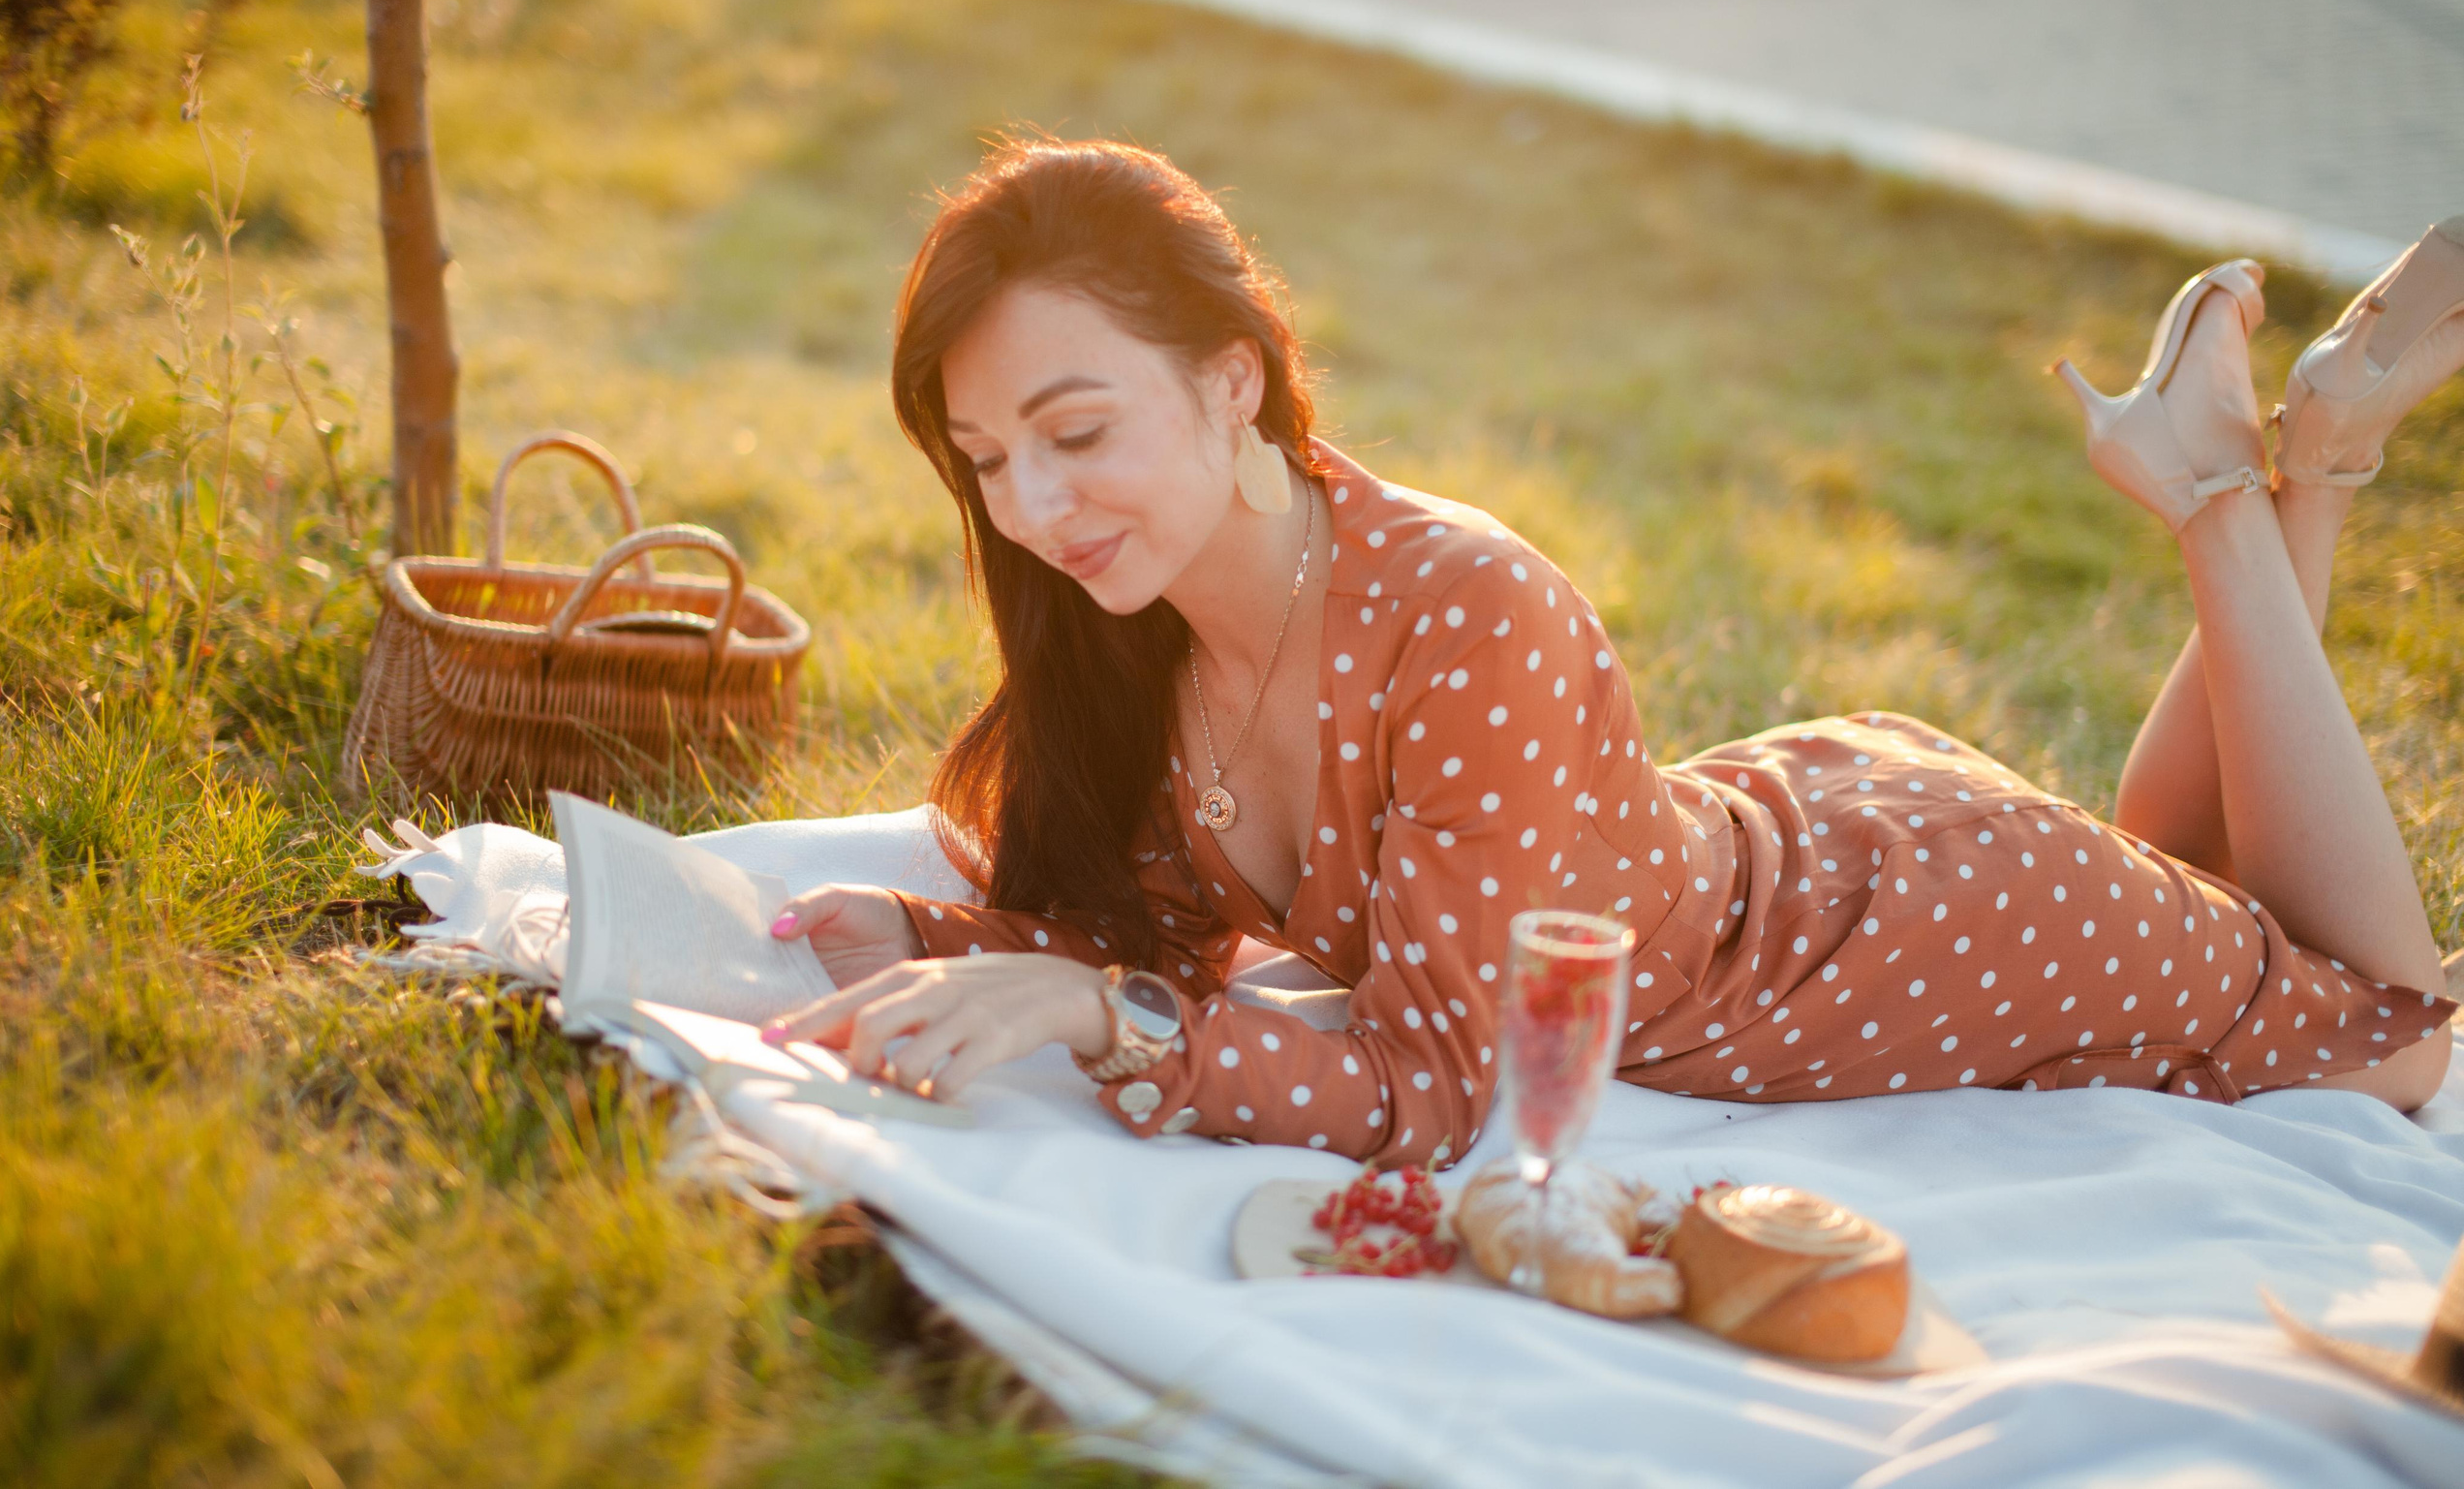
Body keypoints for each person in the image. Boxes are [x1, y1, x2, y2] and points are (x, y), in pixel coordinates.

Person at [762, 140, 2462, 1165]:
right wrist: (940, 935)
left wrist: (1096, 1016)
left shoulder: (1461, 609)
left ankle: (2255, 489)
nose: (1033, 505)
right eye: (988, 462)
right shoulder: (1140, 630)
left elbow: (1434, 1085)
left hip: (1890, 939)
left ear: (1230, 377)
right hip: (1799, 855)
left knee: (2385, 1037)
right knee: (2190, 871)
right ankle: (2297, 448)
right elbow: (1149, 929)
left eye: (1072, 430)